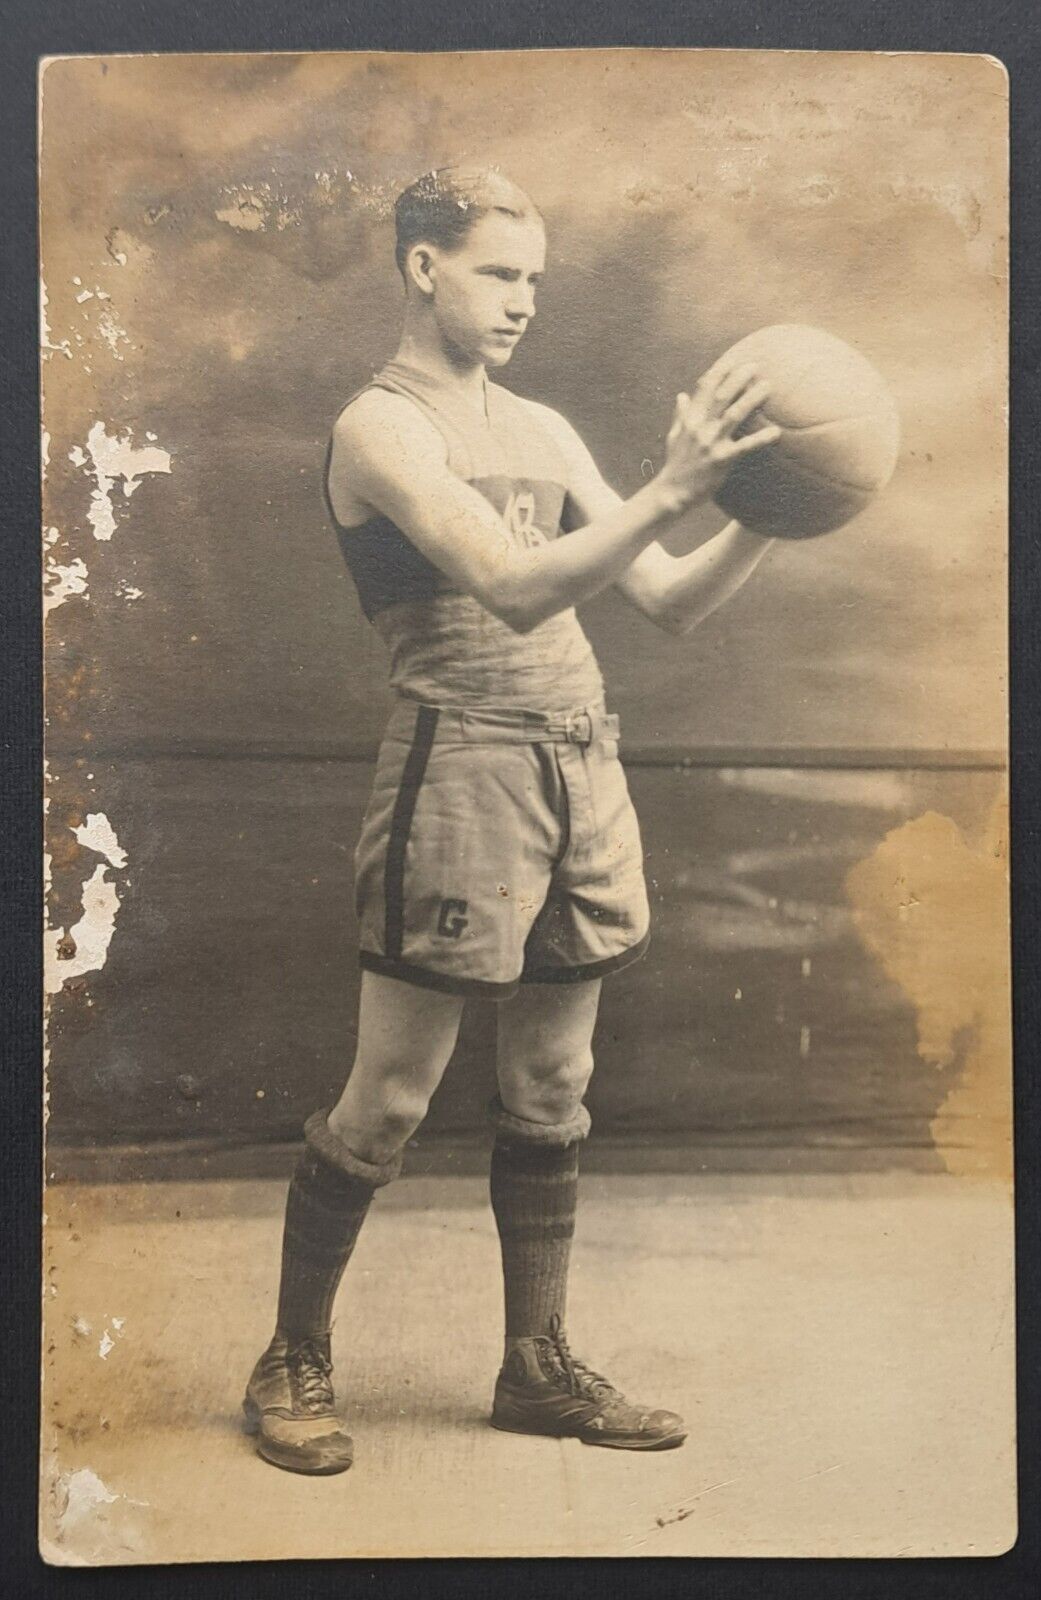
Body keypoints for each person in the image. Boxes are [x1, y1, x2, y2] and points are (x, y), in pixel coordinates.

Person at [243, 166, 780, 1475]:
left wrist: (768, 506)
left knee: (551, 1082)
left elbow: (664, 600)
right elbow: (515, 586)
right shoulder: (381, 431)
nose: (523, 301)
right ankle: (290, 1359)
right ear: (421, 266)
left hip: (580, 769)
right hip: (460, 767)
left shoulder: (541, 428)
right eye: (497, 271)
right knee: (391, 1097)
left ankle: (534, 1365)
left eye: (536, 276)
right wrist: (676, 479)